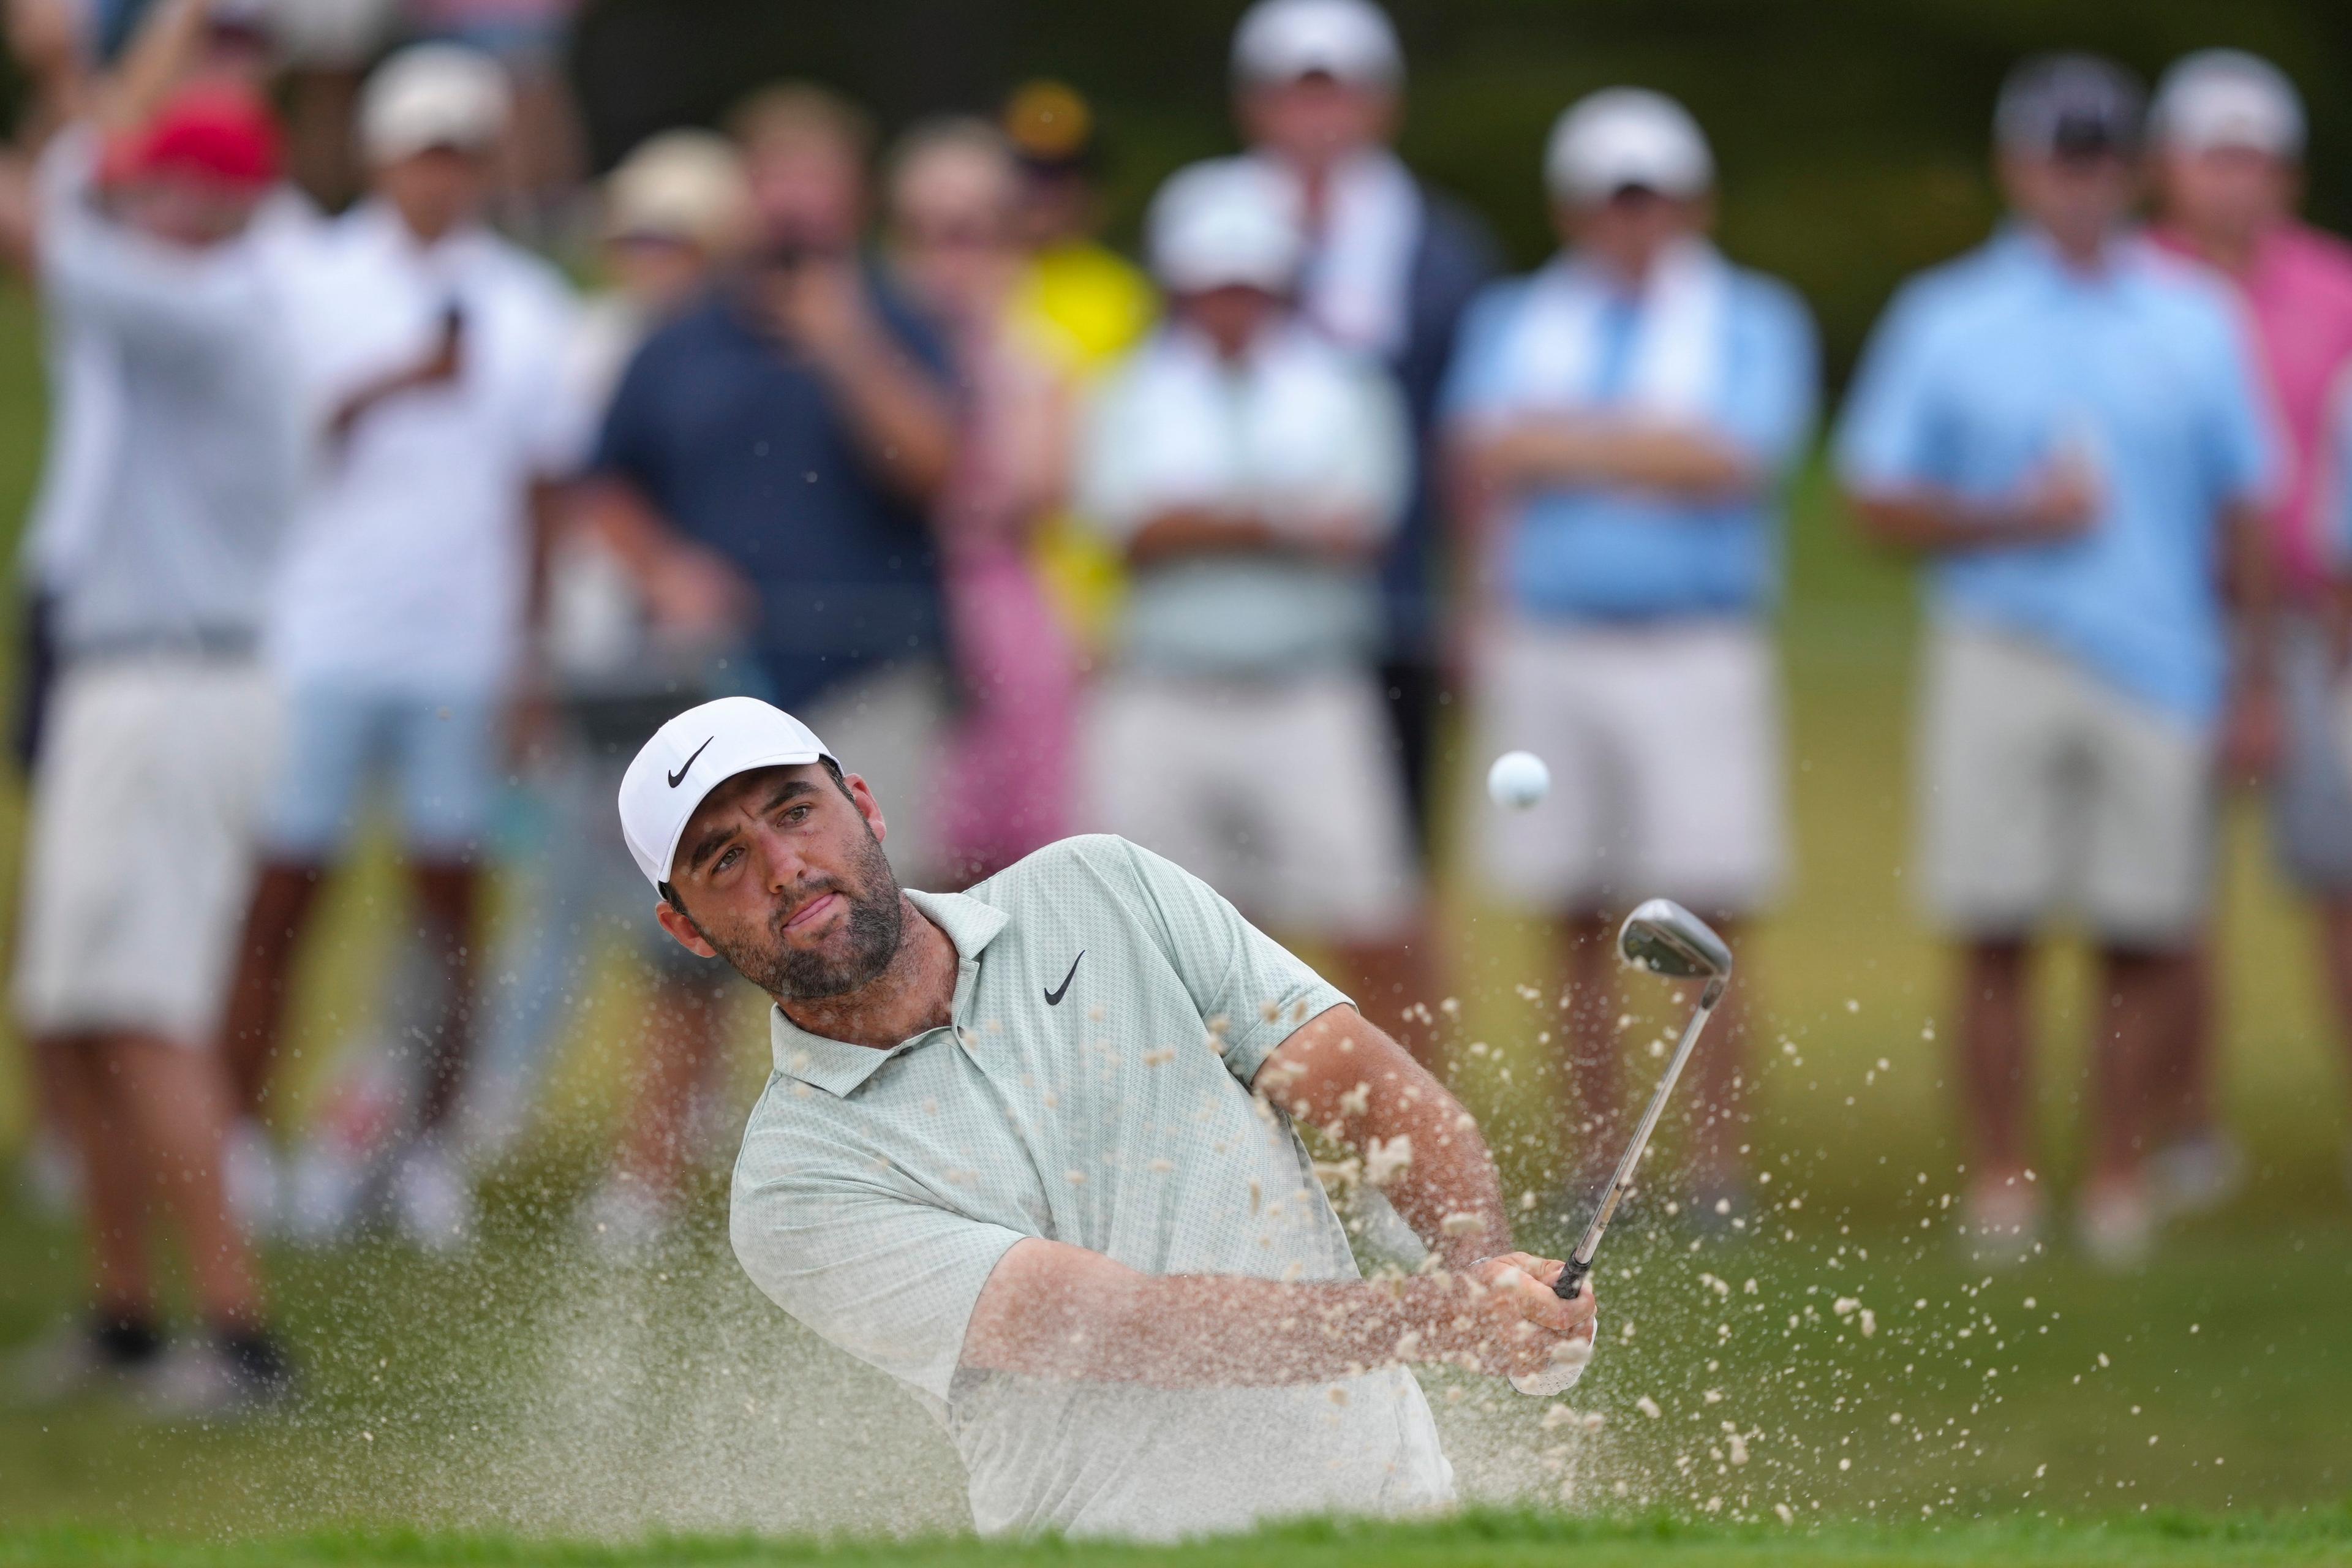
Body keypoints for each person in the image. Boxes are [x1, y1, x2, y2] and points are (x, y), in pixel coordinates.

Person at [614, 695, 1597, 1539]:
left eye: (797, 811)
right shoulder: (793, 1184)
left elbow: (1374, 1097)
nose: (784, 867)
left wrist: (1492, 1277)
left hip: (1393, 1526)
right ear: (685, 928)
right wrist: (1443, 1318)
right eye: (724, 859)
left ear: (863, 804)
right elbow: (1119, 1324)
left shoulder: (1101, 889)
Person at [1836, 55, 2278, 1268]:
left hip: (2163, 657)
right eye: (2058, 159)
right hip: (2005, 646)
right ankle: (2004, 1178)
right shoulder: (1949, 312)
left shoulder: (2197, 318)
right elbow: (1875, 501)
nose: (2080, 184)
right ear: (2019, 168)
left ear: (2130, 172)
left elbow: (2245, 511)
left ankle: (2123, 1174)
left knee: (2146, 926)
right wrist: (2012, 518)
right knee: (1995, 921)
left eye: (2099, 161)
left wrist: (2250, 679)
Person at [218, 40, 584, 1250]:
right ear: (383, 157)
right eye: (427, 153)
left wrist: (529, 658)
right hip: (321, 629)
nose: (445, 176)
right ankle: (235, 1137)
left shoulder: (529, 305)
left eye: (465, 155)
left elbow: (542, 499)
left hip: (459, 649)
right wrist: (397, 381)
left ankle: (427, 1148)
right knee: (286, 893)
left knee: (450, 906)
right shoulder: (308, 279)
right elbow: (271, 455)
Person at [7, 0, 306, 1415]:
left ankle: (239, 1335)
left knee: (142, 1010)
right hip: (126, 675)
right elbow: (69, 205)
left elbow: (40, 222)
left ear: (229, 194)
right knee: (69, 1010)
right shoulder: (160, 299)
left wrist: (67, 69)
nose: (154, 193)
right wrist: (78, 78)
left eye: (182, 178)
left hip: (182, 682)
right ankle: (128, 1314)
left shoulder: (221, 307)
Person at [1442, 88, 1817, 1212]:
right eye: (1612, 202)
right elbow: (1481, 453)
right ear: (1574, 211)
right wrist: (1646, 446)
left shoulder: (1753, 317)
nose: (1632, 223)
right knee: (1568, 910)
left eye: (1650, 200)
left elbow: (1735, 460)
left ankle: (1714, 1166)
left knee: (1708, 911)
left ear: (1690, 206)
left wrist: (1563, 443)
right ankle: (1596, 1163)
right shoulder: (1516, 317)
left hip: (1692, 647)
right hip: (1551, 643)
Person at [458, 129, 753, 1212]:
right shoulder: (589, 345)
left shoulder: (723, 360)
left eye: (677, 236)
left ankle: (681, 1125)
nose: (654, 255)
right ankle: (492, 1109)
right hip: (591, 660)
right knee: (567, 899)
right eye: (641, 234)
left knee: (693, 905)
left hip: (687, 666)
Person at [1078, 159, 1430, 1049]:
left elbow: (1361, 524)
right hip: (1166, 692)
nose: (1231, 308)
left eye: (1249, 287)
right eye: (1213, 288)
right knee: (1142, 939)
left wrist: (1204, 516)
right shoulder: (1129, 389)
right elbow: (1127, 533)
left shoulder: (1347, 387)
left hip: (1307, 691)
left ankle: (1411, 1140)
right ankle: (1188, 1145)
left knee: (1372, 916)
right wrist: (1280, 513)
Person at [2146, 50, 2352, 1213]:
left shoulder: (2338, 289)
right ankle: (2182, 1133)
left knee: (2342, 878)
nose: (2237, 181)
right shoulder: (2136, 285)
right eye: (2215, 156)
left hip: (2319, 625)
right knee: (2169, 897)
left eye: (2257, 158)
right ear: (2171, 169)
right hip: (2168, 625)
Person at [1229, 0, 1499, 857]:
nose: (1318, 119)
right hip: (1232, 603)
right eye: (1295, 94)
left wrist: (1473, 597)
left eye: (1337, 94)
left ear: (1381, 104)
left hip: (1394, 601)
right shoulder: (1204, 225)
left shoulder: (1444, 247)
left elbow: (1471, 437)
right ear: (1255, 103)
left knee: (1386, 862)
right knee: (1224, 880)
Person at [884, 118, 1080, 884]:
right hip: (894, 616)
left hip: (998, 620)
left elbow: (1024, 494)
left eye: (969, 234)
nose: (946, 260)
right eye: (924, 235)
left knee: (1022, 865)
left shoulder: (1033, 355)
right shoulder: (874, 353)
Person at [997, 77, 1156, 659]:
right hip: (996, 571)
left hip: (1100, 578)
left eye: (1062, 176)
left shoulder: (1128, 297)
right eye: (1028, 177)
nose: (1043, 195)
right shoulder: (979, 285)